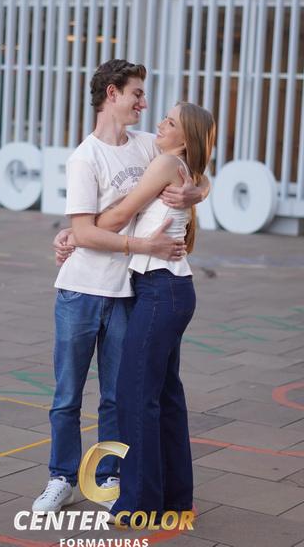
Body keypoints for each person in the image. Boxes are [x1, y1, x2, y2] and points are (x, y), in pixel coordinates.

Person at [32, 60, 209, 514]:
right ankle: (62, 478)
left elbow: (194, 161)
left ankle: (109, 475)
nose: (144, 104)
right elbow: (89, 230)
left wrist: (196, 192)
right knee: (67, 396)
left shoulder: (149, 145)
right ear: (112, 94)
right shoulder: (85, 157)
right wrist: (87, 234)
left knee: (116, 397)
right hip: (81, 290)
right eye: (137, 94)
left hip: (129, 291)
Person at [93, 101, 216, 521]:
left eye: (171, 121)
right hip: (169, 289)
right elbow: (201, 179)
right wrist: (202, 188)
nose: (160, 123)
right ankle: (174, 497)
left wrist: (81, 230)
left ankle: (139, 503)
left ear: (185, 137)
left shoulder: (166, 163)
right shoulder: (178, 164)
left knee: (135, 395)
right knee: (164, 396)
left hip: (162, 289)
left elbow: (123, 213)